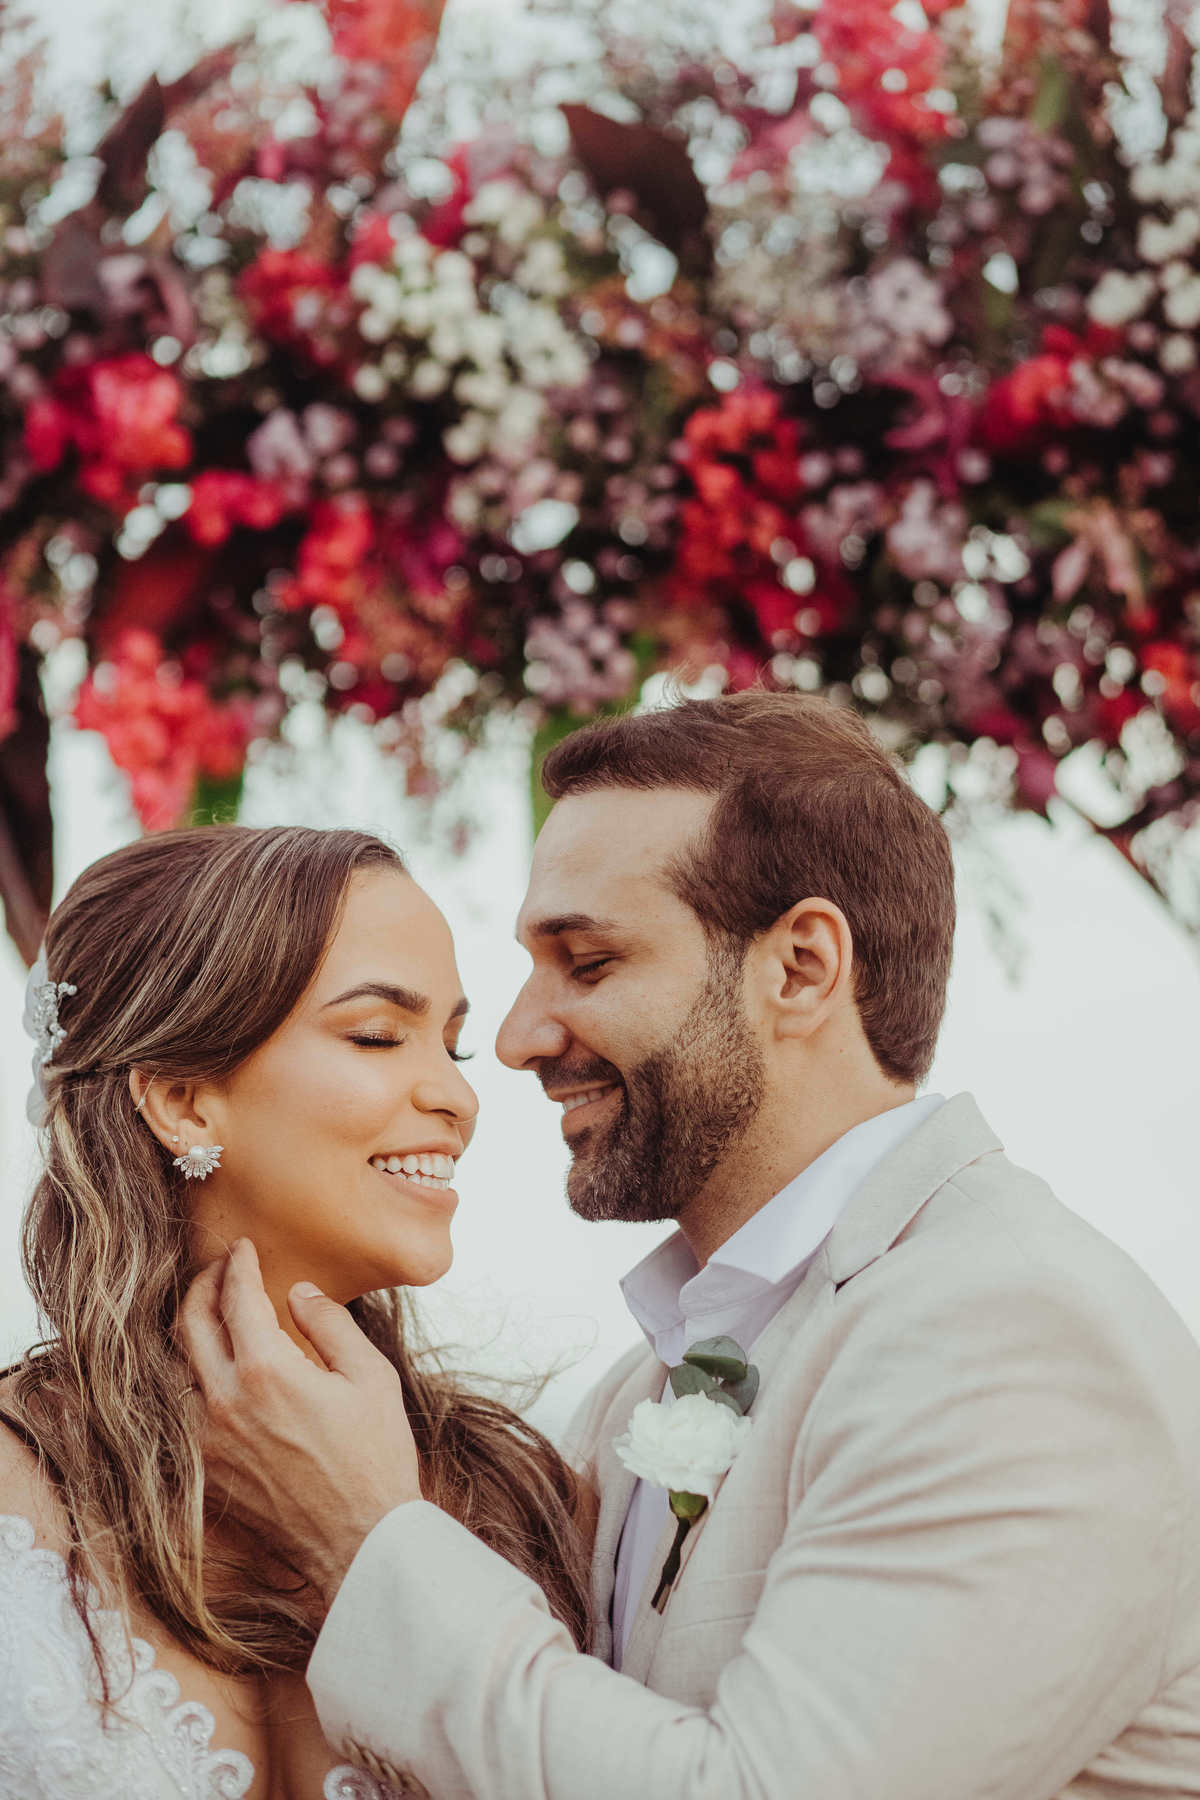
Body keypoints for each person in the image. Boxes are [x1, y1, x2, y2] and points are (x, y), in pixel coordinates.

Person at [183, 690, 1200, 1800]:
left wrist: (366, 1536)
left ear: (801, 967)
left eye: (590, 962)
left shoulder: (1013, 1335)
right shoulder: (642, 1391)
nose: (521, 1041)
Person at [0, 824, 591, 1799]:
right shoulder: (15, 1488)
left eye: (453, 1045)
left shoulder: (528, 1496)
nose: (455, 1097)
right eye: (377, 1035)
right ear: (183, 1098)